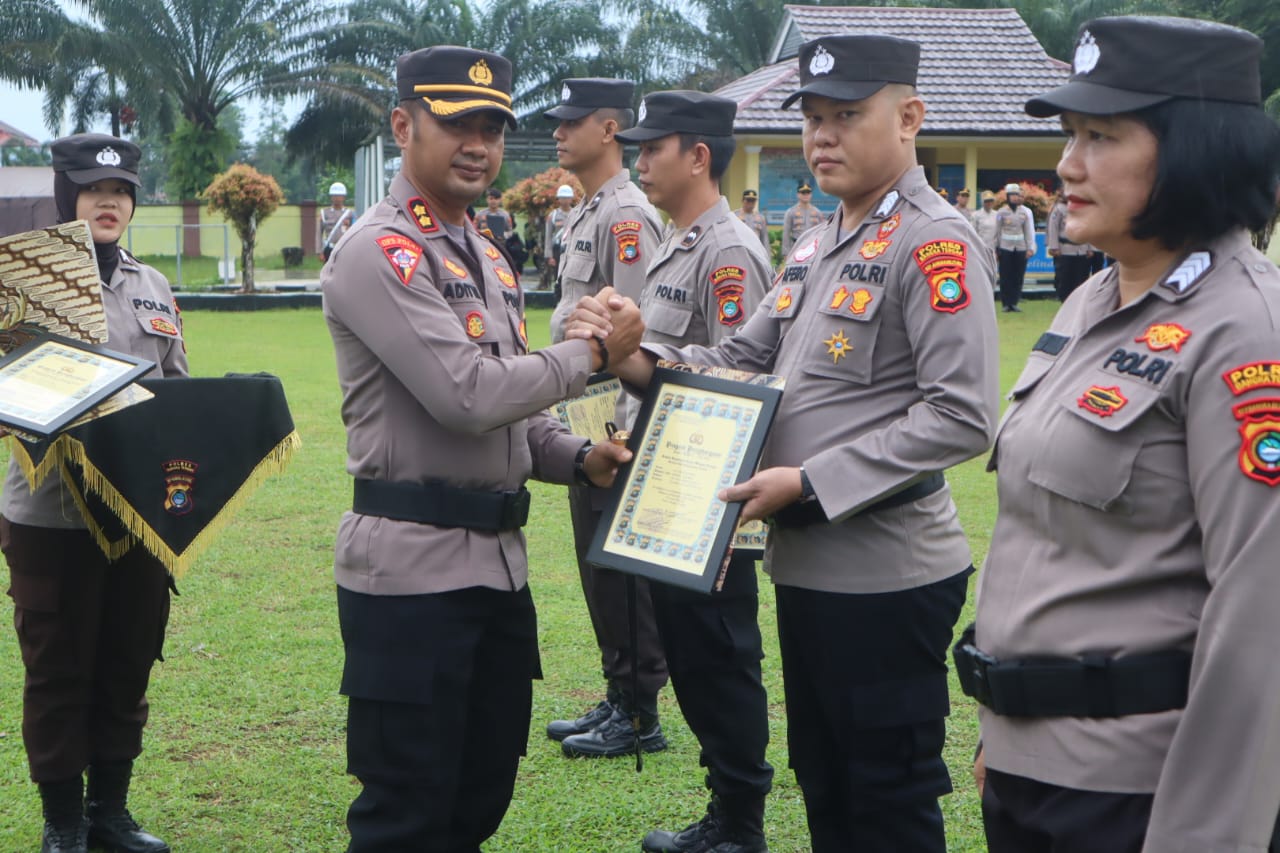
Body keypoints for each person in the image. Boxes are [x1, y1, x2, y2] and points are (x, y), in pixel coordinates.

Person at [571, 34, 999, 852]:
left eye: (847, 116)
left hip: (887, 572)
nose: (823, 137)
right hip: (809, 568)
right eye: (812, 119)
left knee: (885, 794)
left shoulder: (933, 242)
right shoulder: (814, 243)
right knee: (826, 779)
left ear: (910, 117)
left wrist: (808, 481)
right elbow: (738, 358)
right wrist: (632, 357)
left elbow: (962, 414)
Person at [961, 16, 1280, 853]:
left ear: (1197, 149)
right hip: (1032, 769)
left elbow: (1260, 615)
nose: (1067, 165)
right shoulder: (1091, 300)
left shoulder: (1246, 329)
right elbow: (1046, 536)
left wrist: (1202, 836)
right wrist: (1006, 728)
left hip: (1137, 793)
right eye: (1070, 135)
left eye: (1101, 136)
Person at [320, 46, 639, 851]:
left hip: (497, 571)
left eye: (492, 128)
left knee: (478, 795)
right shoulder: (380, 251)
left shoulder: (487, 253)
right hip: (412, 577)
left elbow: (515, 417)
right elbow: (467, 395)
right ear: (403, 126)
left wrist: (580, 458)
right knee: (406, 814)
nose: (478, 144)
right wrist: (591, 354)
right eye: (458, 124)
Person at [2, 133, 187, 853]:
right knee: (58, 666)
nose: (109, 202)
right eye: (93, 189)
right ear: (65, 196)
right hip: (51, 509)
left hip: (138, 508)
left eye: (121, 191)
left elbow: (177, 386)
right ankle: (63, 821)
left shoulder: (153, 286)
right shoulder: (23, 280)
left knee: (127, 657)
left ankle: (110, 811)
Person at [609, 89, 773, 851]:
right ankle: (724, 812)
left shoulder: (728, 251)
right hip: (671, 489)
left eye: (653, 148)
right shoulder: (680, 241)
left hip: (715, 493)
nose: (639, 162)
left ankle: (741, 823)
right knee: (693, 656)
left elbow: (742, 376)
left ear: (698, 156)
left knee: (721, 656)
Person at [542, 77, 670, 758]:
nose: (558, 132)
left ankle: (640, 710)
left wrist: (618, 429)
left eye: (573, 121)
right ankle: (619, 693)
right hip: (584, 414)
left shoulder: (626, 216)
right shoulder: (590, 210)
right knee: (597, 563)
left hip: (616, 418)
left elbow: (635, 332)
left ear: (610, 128)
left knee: (620, 567)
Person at [1045, 188, 1093, 300]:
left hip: (1081, 249)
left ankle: (1078, 301)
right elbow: (1053, 228)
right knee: (1065, 278)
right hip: (1065, 249)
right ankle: (1064, 300)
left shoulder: (1083, 208)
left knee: (1081, 278)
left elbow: (1088, 228)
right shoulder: (1059, 209)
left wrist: (1089, 247)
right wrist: (1054, 247)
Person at [995, 182, 1036, 311]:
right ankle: (1006, 303)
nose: (1015, 197)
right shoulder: (1001, 212)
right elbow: (997, 231)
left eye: (1016, 195)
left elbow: (1028, 231)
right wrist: (996, 248)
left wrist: (1030, 248)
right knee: (1005, 275)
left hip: (1020, 248)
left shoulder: (1024, 212)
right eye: (1012, 195)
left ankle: (1014, 302)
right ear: (1007, 197)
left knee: (1018, 276)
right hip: (1005, 248)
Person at [543, 183, 575, 290]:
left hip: (572, 249)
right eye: (563, 198)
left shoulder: (577, 214)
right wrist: (549, 256)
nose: (565, 200)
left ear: (571, 199)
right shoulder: (553, 215)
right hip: (558, 249)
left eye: (567, 198)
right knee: (558, 276)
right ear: (558, 199)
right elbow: (548, 237)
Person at [780, 180, 824, 257]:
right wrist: (786, 253)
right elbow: (786, 234)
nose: (806, 195)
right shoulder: (791, 212)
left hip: (813, 248)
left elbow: (822, 233)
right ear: (798, 194)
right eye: (803, 193)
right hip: (797, 246)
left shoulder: (818, 212)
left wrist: (822, 251)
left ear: (811, 194)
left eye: (808, 193)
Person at [318, 181, 354, 262]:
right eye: (334, 195)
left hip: (344, 248)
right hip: (329, 248)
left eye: (339, 195)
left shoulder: (349, 213)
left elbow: (354, 233)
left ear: (344, 197)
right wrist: (320, 251)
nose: (337, 198)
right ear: (331, 197)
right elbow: (319, 233)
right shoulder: (324, 213)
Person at [733, 188, 771, 255]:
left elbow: (764, 238)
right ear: (742, 200)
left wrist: (767, 255)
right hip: (740, 251)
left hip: (756, 251)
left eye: (753, 201)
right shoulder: (734, 216)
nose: (750, 203)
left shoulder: (760, 218)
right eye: (748, 200)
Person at [971, 189, 999, 267]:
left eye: (991, 201)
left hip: (993, 249)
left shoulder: (997, 215)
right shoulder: (976, 215)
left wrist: (998, 250)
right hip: (980, 248)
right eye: (986, 201)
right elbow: (973, 233)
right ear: (982, 202)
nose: (989, 203)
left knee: (993, 269)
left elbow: (999, 233)